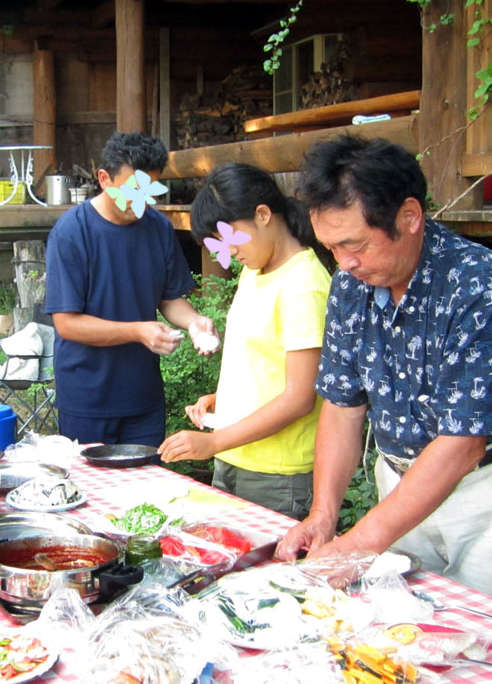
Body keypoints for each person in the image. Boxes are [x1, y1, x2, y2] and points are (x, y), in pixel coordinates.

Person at [275, 136, 492, 613]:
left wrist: (360, 543)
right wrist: (324, 515)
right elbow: (343, 406)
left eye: (354, 244)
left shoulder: (476, 283)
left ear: (409, 216)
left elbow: (464, 441)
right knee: (401, 631)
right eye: (331, 248)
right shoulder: (351, 284)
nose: (344, 263)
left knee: (491, 642)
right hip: (400, 484)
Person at [158, 164, 330, 519]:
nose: (227, 250)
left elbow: (299, 398)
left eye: (228, 236)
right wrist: (222, 401)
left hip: (277, 475)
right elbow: (265, 366)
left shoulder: (304, 286)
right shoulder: (256, 272)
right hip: (234, 458)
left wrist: (212, 442)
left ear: (263, 215)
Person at [45, 132, 219, 446]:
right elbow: (66, 323)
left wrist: (194, 321)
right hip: (88, 397)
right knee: (93, 492)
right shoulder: (71, 232)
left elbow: (169, 299)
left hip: (144, 396)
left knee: (145, 491)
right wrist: (138, 332)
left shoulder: (159, 227)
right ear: (104, 179)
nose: (143, 201)